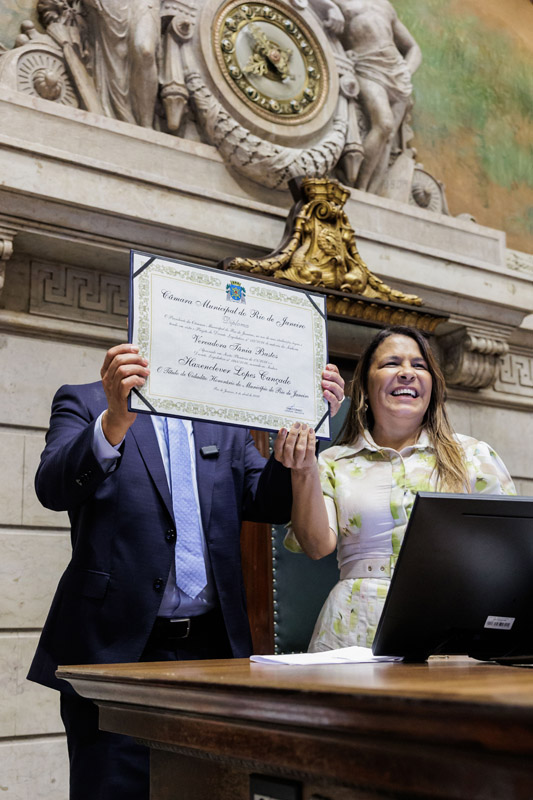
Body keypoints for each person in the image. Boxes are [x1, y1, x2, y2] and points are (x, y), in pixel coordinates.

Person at [27, 342, 344, 800]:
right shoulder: (86, 400)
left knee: (210, 787)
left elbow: (269, 502)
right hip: (115, 651)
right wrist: (114, 421)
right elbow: (52, 488)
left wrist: (302, 437)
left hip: (211, 652)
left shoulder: (221, 417)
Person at [283, 325, 516, 652]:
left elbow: (509, 551)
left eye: (419, 365)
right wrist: (303, 469)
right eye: (392, 363)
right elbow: (317, 545)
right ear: (365, 387)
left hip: (447, 617)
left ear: (432, 387)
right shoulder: (333, 461)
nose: (407, 373)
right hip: (352, 623)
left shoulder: (474, 456)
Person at [313, 0, 422, 193]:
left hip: (397, 72)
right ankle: (357, 187)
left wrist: (407, 70)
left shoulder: (384, 5)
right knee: (384, 124)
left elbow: (413, 47)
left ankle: (369, 194)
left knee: (387, 139)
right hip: (366, 66)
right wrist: (330, 6)